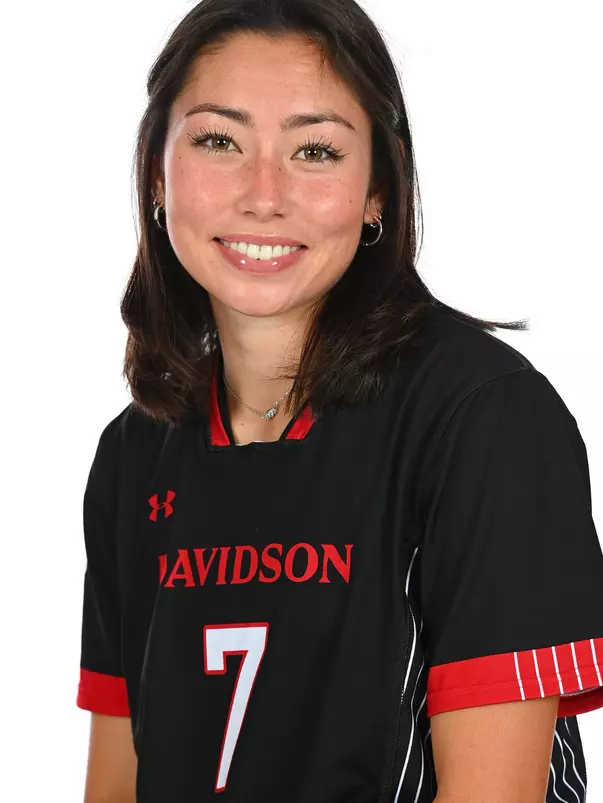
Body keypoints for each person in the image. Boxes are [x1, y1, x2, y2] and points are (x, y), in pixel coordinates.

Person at [76, 1, 603, 801]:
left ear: (377, 195)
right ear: (156, 171)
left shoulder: (482, 417)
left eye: (314, 150)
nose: (263, 194)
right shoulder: (134, 454)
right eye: (219, 140)